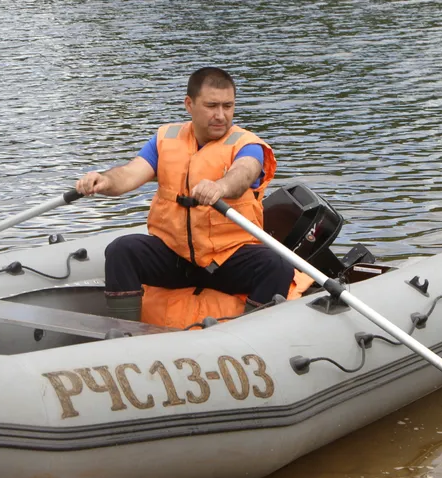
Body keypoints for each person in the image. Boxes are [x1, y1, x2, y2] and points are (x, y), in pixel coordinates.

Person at [76, 67, 294, 323]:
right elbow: (130, 174)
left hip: (227, 258)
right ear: (189, 105)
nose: (221, 115)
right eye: (212, 105)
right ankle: (126, 335)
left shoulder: (247, 145)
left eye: (228, 106)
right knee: (122, 251)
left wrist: (220, 187)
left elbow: (243, 173)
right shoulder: (165, 139)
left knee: (277, 265)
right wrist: (105, 180)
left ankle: (253, 335)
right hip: (175, 256)